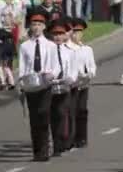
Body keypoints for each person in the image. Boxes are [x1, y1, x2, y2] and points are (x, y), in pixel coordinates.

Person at [17, 9, 59, 161]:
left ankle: (45, 149)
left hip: (45, 85)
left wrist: (51, 75)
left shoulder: (50, 45)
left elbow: (56, 66)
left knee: (43, 114)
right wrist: (21, 82)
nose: (36, 27)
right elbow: (22, 67)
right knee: (34, 119)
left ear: (44, 27)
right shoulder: (25, 46)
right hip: (30, 85)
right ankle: (37, 151)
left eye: (39, 24)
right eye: (33, 24)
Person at [47, 18, 77, 157]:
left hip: (65, 86)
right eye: (55, 34)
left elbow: (73, 70)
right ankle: (57, 145)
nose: (58, 37)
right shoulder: (48, 51)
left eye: (60, 34)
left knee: (62, 113)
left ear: (65, 35)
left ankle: (65, 141)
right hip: (51, 87)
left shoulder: (70, 52)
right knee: (53, 115)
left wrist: (70, 79)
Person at [67, 18, 96, 149]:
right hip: (72, 84)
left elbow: (92, 65)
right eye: (75, 32)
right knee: (71, 111)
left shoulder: (87, 49)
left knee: (82, 110)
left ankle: (82, 137)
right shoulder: (68, 49)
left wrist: (90, 73)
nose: (77, 35)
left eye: (80, 32)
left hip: (84, 83)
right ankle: (71, 138)